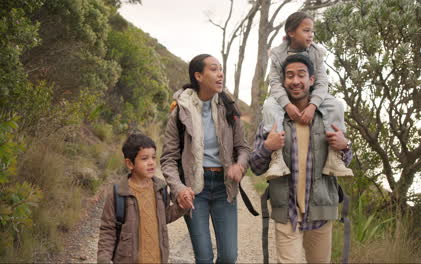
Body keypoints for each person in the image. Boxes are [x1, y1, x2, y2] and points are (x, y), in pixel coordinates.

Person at [250, 54, 353, 263]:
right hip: (286, 211)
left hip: (321, 211)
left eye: (301, 75)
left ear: (312, 80)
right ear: (283, 81)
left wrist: (346, 146)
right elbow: (256, 167)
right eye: (289, 76)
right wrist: (267, 148)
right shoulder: (273, 119)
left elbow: (345, 161)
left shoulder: (327, 116)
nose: (295, 81)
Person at [160, 54, 250, 264]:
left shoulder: (230, 108)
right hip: (193, 191)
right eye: (213, 69)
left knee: (228, 257)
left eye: (221, 69)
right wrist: (179, 189)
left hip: (224, 188)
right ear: (198, 76)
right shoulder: (180, 112)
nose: (220, 74)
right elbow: (168, 159)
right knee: (204, 258)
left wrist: (240, 165)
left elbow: (243, 147)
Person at [262, 11, 353, 180]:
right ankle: (277, 158)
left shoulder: (316, 52)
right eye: (306, 30)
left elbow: (322, 83)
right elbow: (274, 83)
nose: (310, 35)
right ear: (291, 32)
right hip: (284, 95)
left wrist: (313, 106)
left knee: (336, 105)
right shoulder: (277, 54)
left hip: (312, 97)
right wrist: (287, 105)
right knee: (269, 106)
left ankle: (334, 156)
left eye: (312, 31)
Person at [97, 133, 187, 263]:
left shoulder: (160, 189)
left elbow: (165, 216)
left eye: (153, 157)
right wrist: (103, 259)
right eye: (144, 158)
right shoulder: (118, 193)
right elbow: (108, 230)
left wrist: (182, 206)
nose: (151, 163)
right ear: (129, 163)